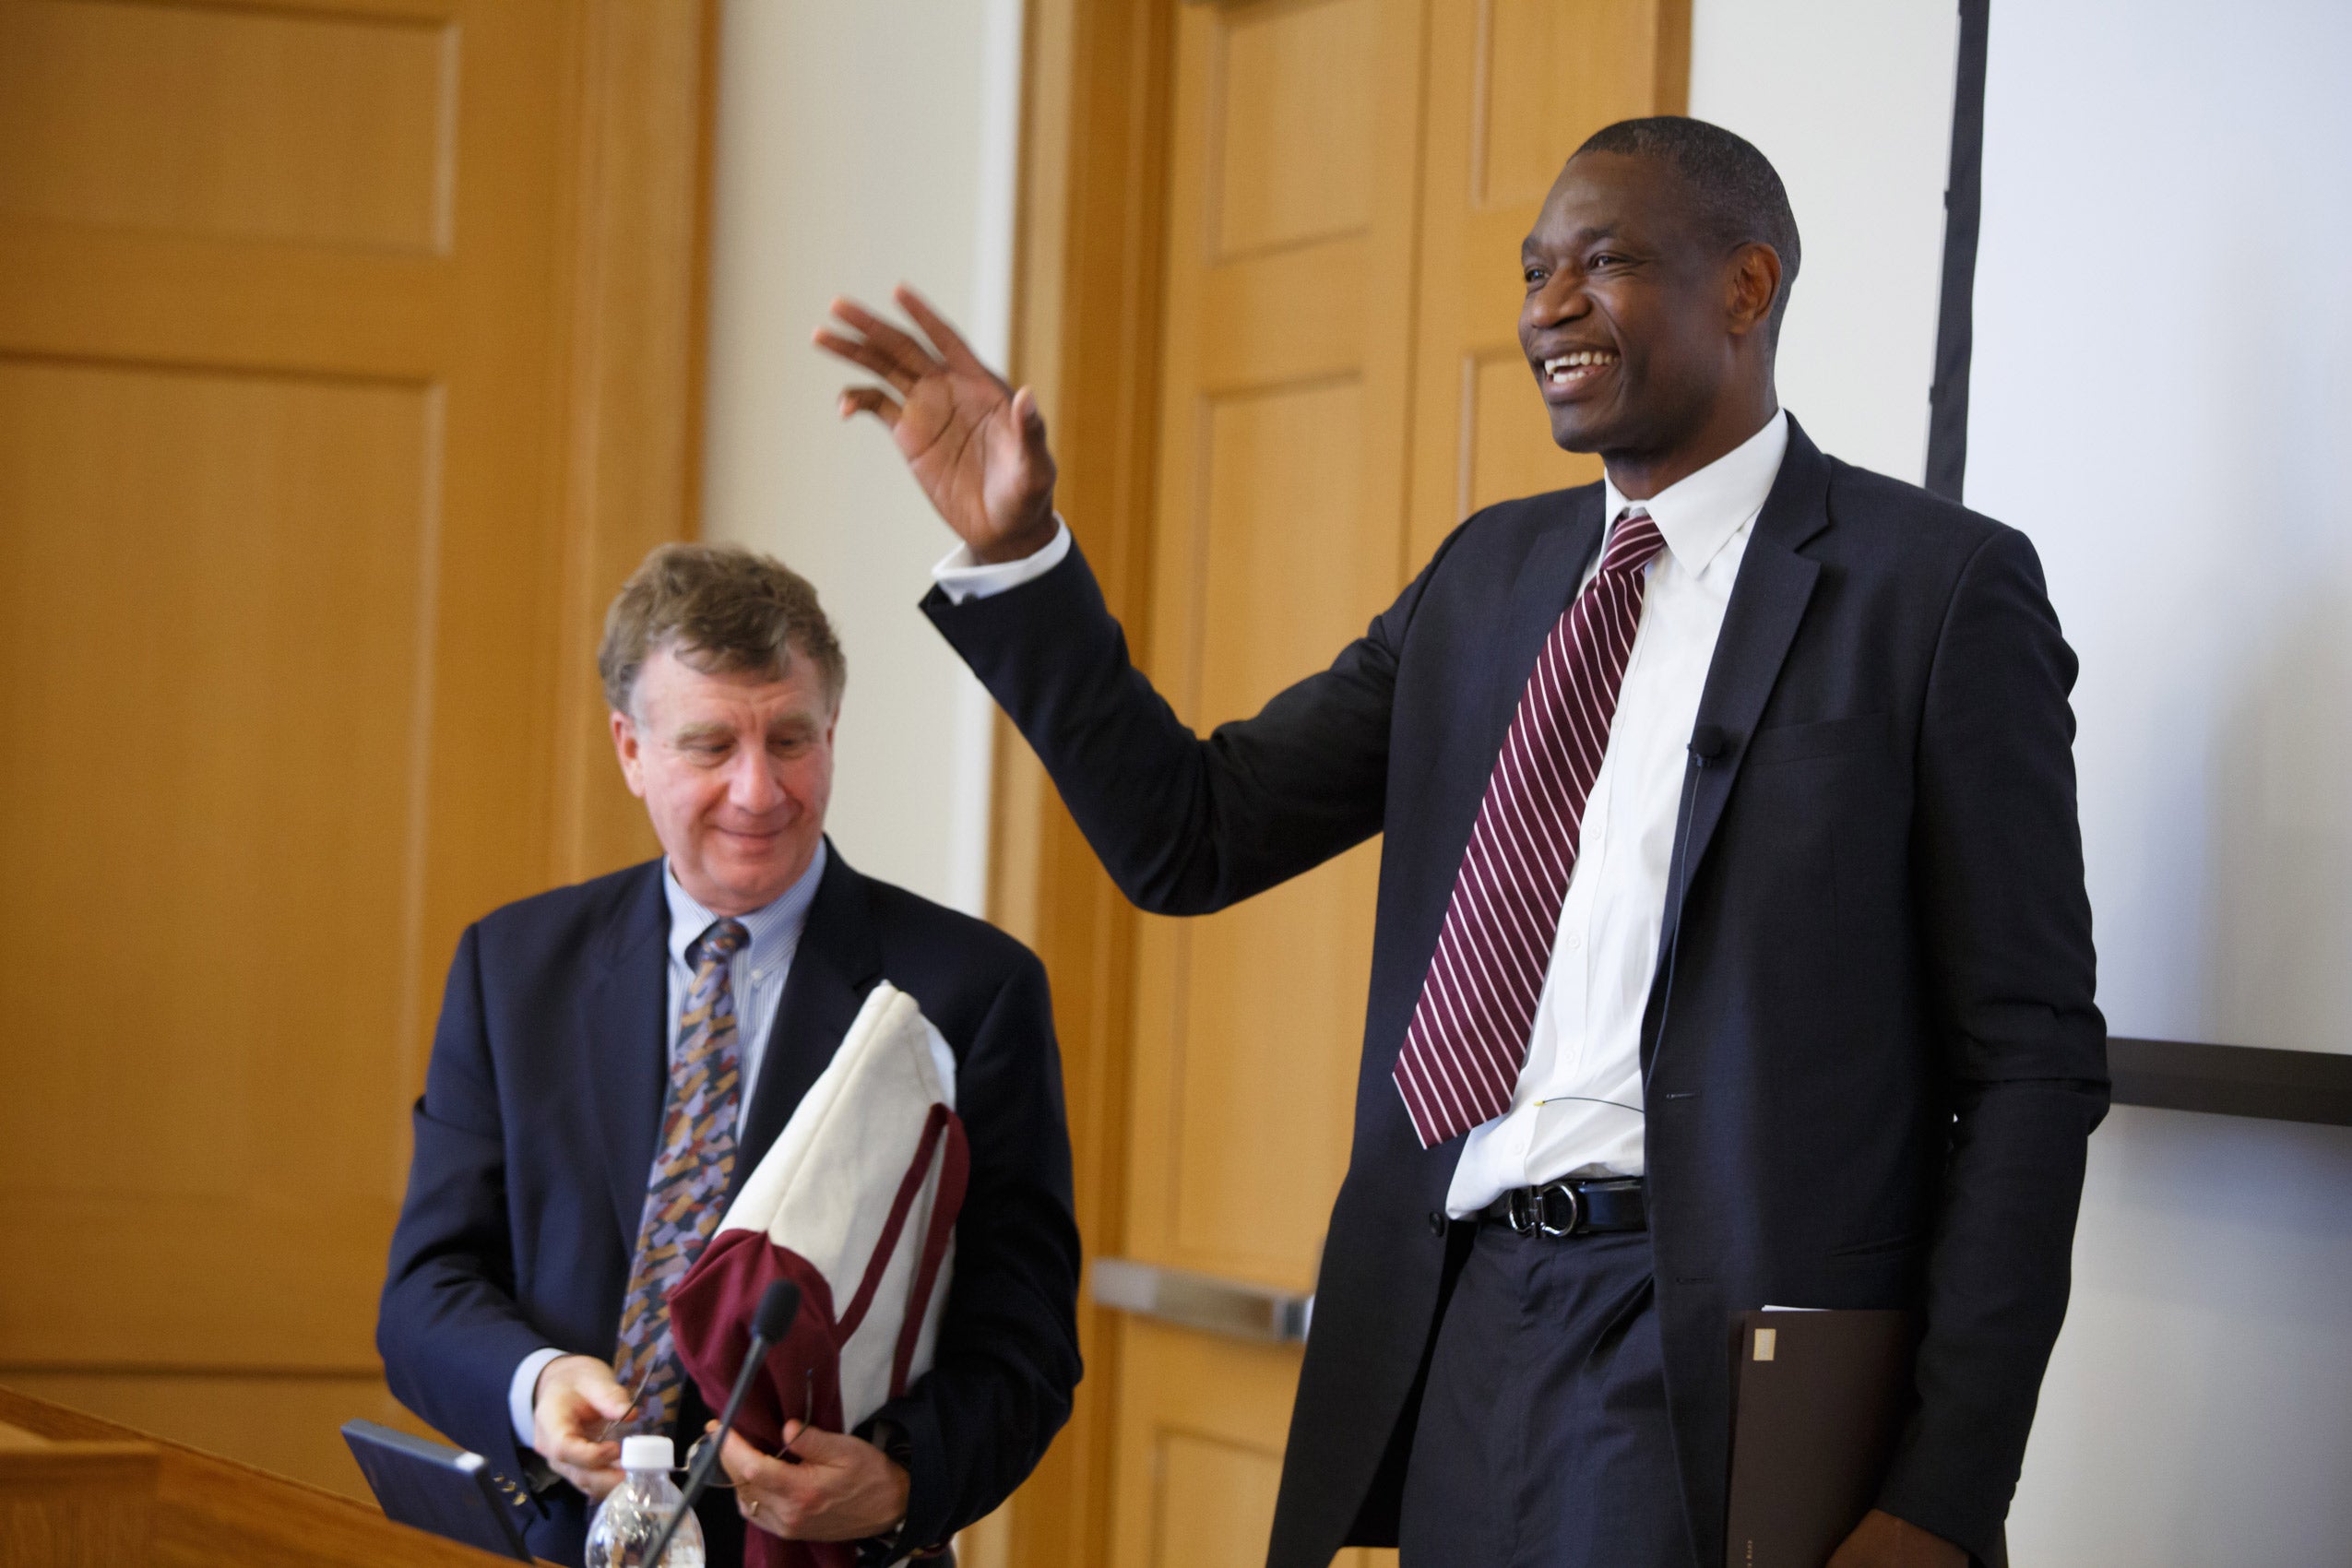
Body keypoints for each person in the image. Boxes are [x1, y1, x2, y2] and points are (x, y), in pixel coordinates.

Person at [814, 116, 2105, 1568]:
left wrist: (1940, 1490)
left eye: (1601, 262)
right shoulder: (1487, 579)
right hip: (1460, 1324)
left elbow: (2032, 1062)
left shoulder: (1932, 593)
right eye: (1533, 267)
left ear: (1745, 291)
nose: (1545, 306)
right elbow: (1193, 834)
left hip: (1711, 1354)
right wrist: (1018, 555)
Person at [378, 544, 1083, 1565]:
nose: (758, 790)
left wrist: (897, 1476)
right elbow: (425, 1291)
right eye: (711, 745)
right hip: (558, 1540)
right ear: (629, 747)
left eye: (790, 738)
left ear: (832, 732)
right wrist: (534, 1387)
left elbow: (1026, 1343)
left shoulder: (974, 989)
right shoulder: (511, 966)